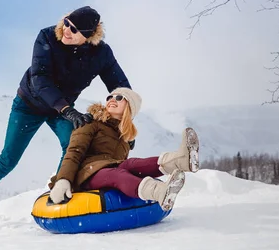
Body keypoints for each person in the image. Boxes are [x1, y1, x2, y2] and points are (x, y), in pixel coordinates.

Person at [0, 6, 132, 232]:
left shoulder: (101, 54)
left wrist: (126, 124)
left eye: (74, 29)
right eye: (67, 23)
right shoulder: (47, 37)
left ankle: (60, 191)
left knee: (73, 146)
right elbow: (39, 78)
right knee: (8, 159)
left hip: (61, 108)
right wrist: (66, 109)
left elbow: (121, 88)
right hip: (28, 105)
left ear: (89, 36)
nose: (66, 30)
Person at [48, 87, 200, 211]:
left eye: (119, 97)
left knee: (131, 164)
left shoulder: (124, 136)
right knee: (117, 173)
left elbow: (123, 164)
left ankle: (181, 161)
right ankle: (159, 192)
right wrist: (63, 180)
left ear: (130, 107)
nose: (112, 99)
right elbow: (74, 151)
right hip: (86, 174)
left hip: (107, 170)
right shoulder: (90, 122)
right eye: (110, 97)